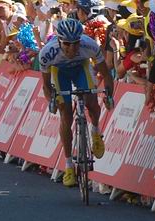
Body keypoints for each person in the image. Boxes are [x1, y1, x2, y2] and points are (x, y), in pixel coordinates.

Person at [39, 18, 114, 187]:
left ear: (81, 40)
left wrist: (109, 96)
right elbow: (46, 85)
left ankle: (95, 131)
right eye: (66, 44)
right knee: (66, 115)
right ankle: (68, 166)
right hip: (60, 72)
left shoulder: (90, 46)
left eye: (75, 43)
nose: (72, 48)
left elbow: (107, 75)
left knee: (91, 100)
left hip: (82, 68)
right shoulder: (47, 52)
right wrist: (52, 101)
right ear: (59, 41)